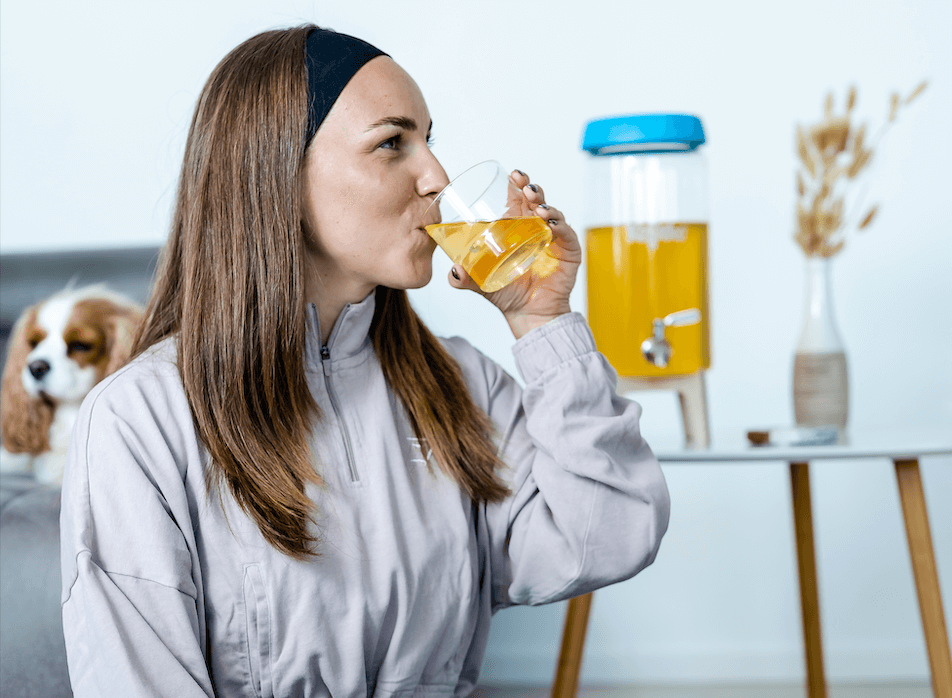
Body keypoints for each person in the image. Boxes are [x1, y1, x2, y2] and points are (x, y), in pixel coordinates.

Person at [59, 24, 670, 697]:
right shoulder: (140, 421)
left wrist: (541, 321)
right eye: (392, 143)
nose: (436, 176)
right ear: (276, 174)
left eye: (429, 139)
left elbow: (608, 539)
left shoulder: (459, 387)